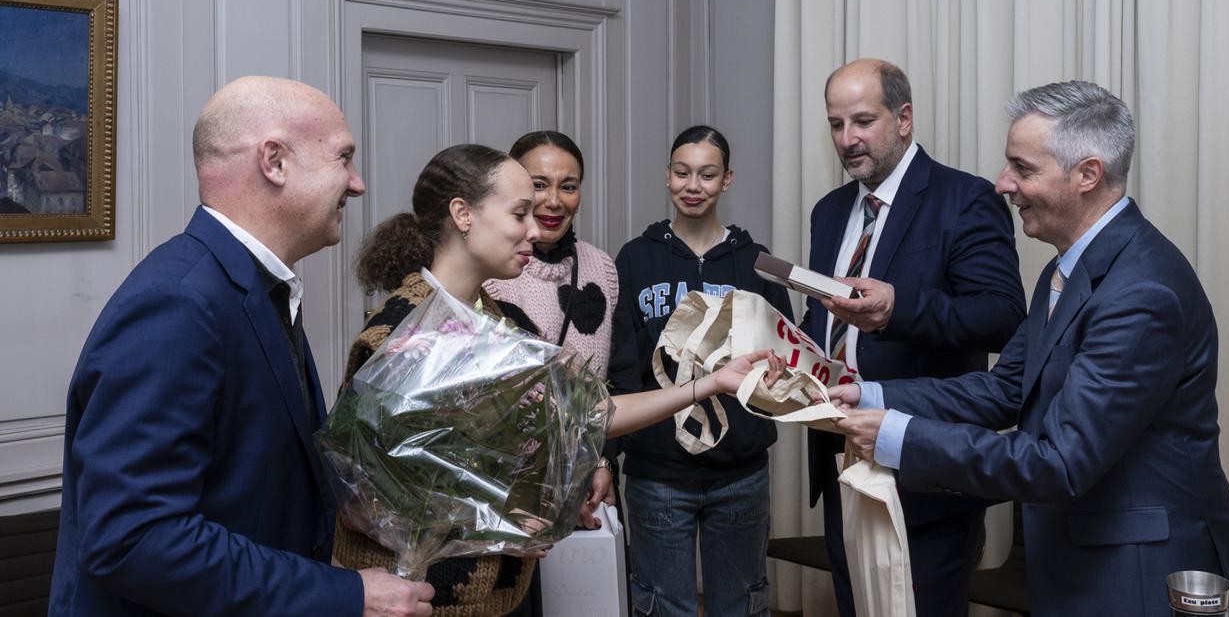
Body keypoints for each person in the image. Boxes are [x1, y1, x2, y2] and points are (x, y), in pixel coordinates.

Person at [830, 81, 1229, 617]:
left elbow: (1060, 462)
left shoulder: (1142, 292)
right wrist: (868, 395)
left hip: (1140, 570)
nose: (1003, 184)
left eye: (1022, 169)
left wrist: (896, 436)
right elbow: (1006, 387)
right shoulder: (1063, 267)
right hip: (1082, 555)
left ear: (1087, 175)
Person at [334, 143, 777, 617]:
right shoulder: (402, 332)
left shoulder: (508, 324)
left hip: (501, 592)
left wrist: (709, 385)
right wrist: (508, 520)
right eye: (519, 212)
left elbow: (587, 415)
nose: (534, 228)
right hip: (418, 596)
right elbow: (359, 497)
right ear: (463, 214)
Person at [49, 76, 434, 616]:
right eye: (343, 158)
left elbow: (248, 483)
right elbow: (135, 541)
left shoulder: (255, 287)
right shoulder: (178, 303)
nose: (357, 183)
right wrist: (344, 596)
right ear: (274, 162)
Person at [803, 59, 1025, 616]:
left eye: (862, 121)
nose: (847, 140)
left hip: (924, 468)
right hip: (841, 457)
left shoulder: (965, 198)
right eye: (836, 124)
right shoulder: (829, 212)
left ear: (904, 118)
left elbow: (1001, 316)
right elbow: (825, 321)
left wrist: (898, 309)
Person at [613, 125, 794, 617]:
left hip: (740, 474)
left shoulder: (758, 264)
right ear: (667, 177)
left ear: (727, 180)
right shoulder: (634, 259)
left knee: (740, 604)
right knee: (661, 605)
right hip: (657, 474)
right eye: (682, 172)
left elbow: (786, 355)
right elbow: (622, 371)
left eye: (707, 174)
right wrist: (611, 457)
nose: (693, 185)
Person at [483, 131, 620, 529]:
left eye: (569, 186)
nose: (554, 201)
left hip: (593, 479)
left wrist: (601, 460)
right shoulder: (492, 272)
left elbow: (619, 380)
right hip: (510, 489)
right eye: (537, 185)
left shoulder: (603, 269)